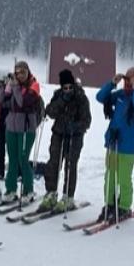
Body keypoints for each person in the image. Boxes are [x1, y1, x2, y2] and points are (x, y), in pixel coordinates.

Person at [95, 67, 134, 222]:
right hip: (113, 142)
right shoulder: (120, 95)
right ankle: (110, 204)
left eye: (132, 79)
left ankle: (125, 206)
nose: (128, 82)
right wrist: (112, 83)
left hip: (129, 146)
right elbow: (100, 97)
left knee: (124, 178)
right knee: (110, 176)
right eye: (127, 78)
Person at [40, 69, 92, 212]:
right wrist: (61, 101)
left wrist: (76, 126)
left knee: (70, 165)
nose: (68, 90)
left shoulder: (80, 97)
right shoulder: (58, 95)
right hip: (58, 133)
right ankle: (51, 193)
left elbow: (87, 120)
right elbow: (50, 112)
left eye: (70, 87)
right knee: (53, 163)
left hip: (74, 137)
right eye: (65, 87)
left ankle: (68, 197)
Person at [1, 61, 43, 204]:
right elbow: (1, 100)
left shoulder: (34, 85)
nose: (20, 75)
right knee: (12, 159)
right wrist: (5, 85)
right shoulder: (15, 84)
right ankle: (11, 189)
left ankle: (28, 190)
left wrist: (16, 87)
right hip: (11, 127)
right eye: (17, 73)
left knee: (23, 159)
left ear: (28, 72)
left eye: (23, 72)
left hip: (26, 128)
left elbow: (22, 102)